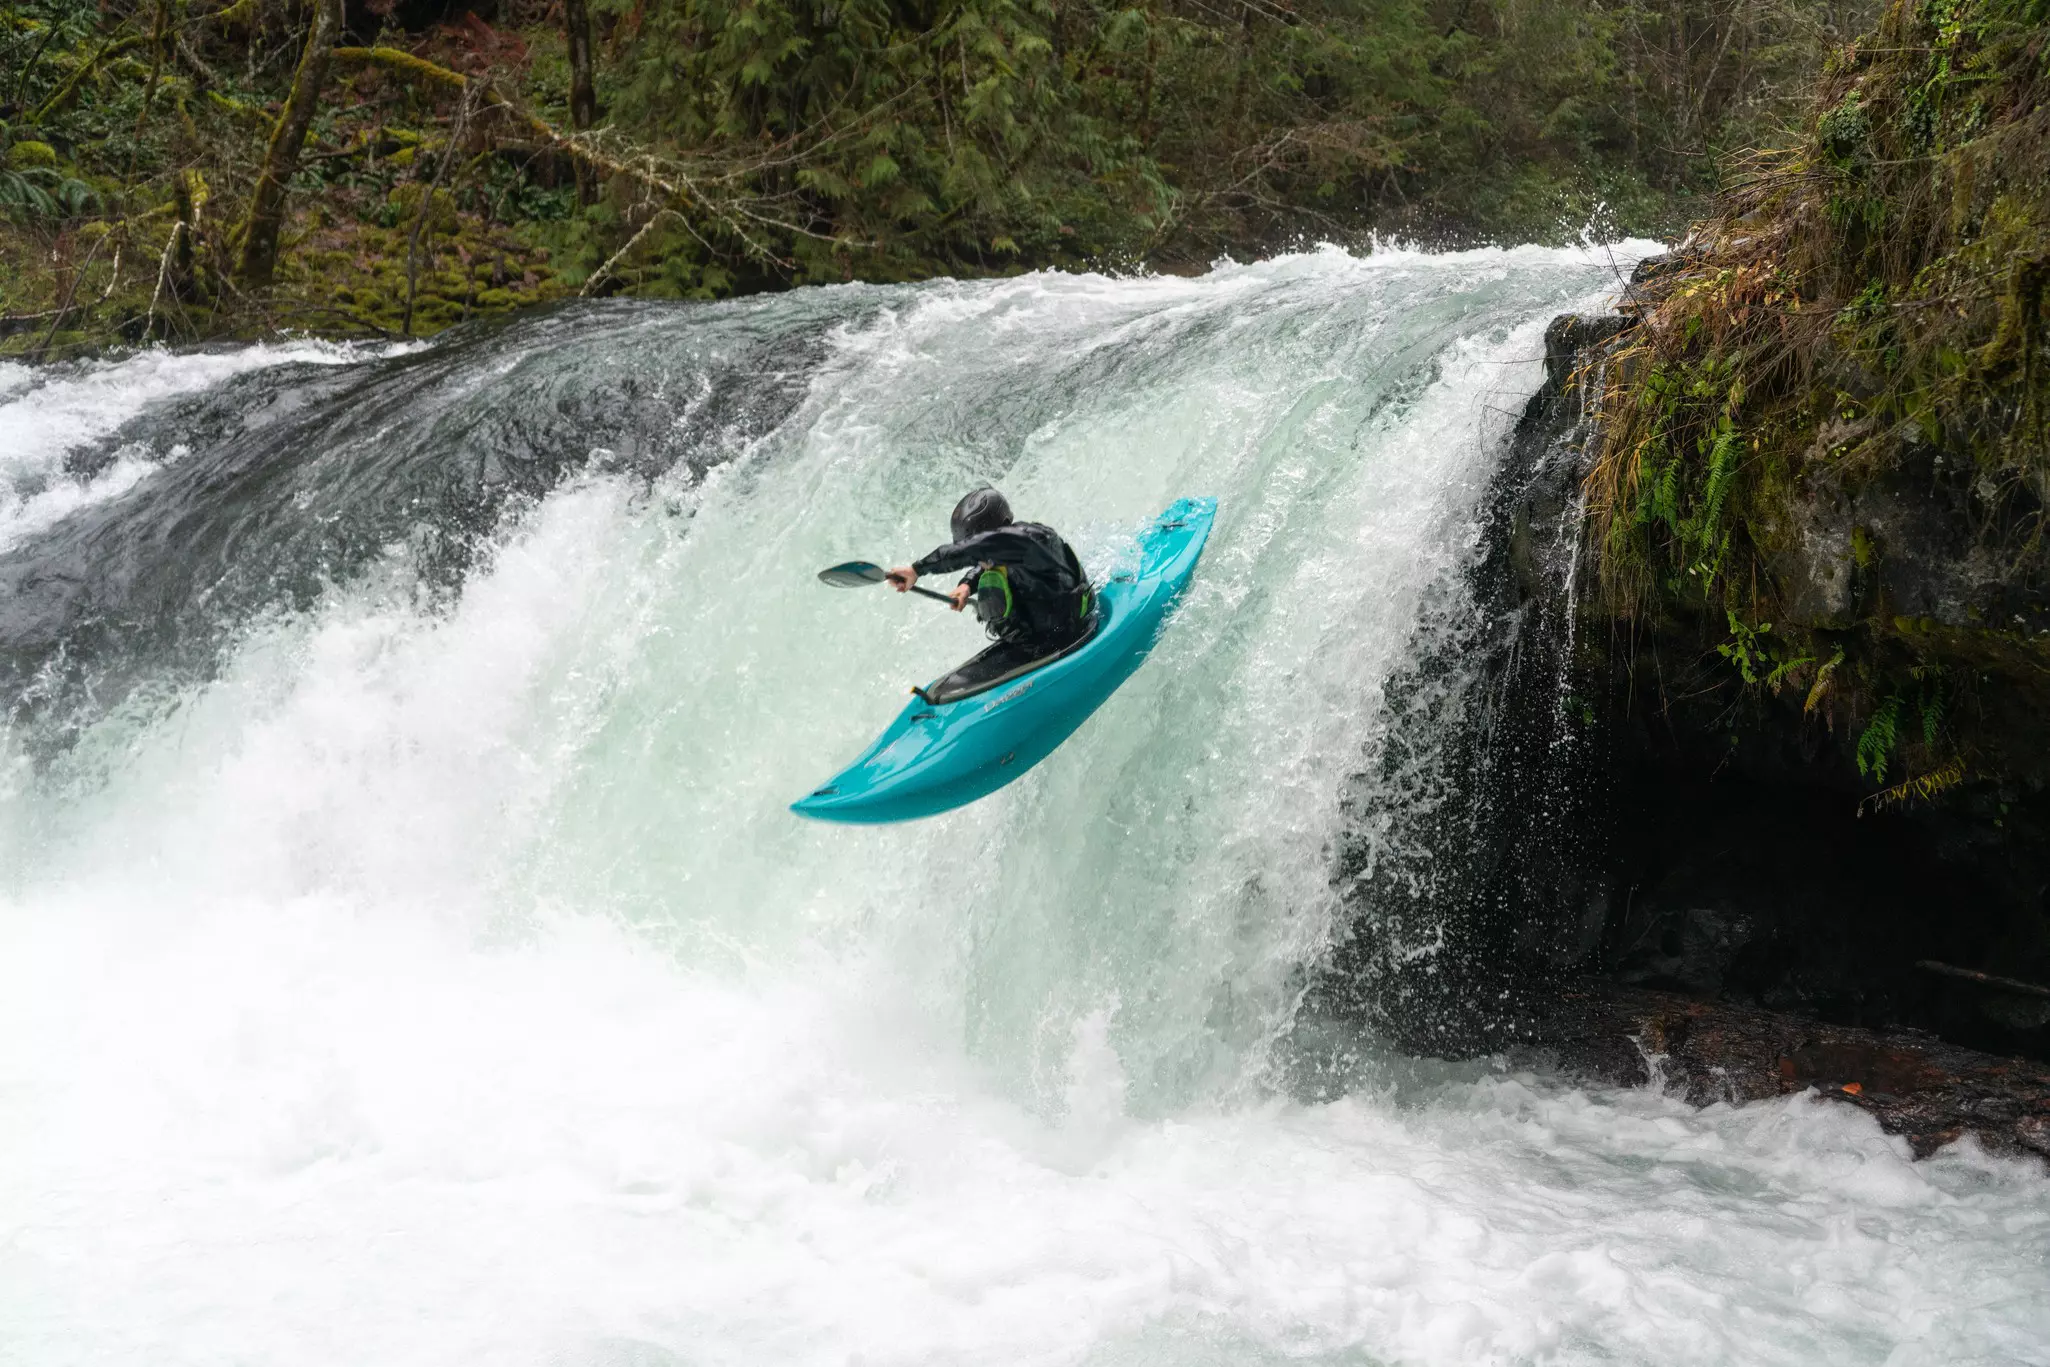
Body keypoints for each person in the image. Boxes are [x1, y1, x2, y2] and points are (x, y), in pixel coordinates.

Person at [885, 487, 1097, 702]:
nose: (979, 559)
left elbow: (973, 551)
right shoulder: (1005, 551)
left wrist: (916, 570)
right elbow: (984, 562)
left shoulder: (1031, 541)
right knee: (991, 578)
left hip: (1072, 630)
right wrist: (967, 585)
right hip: (1034, 638)